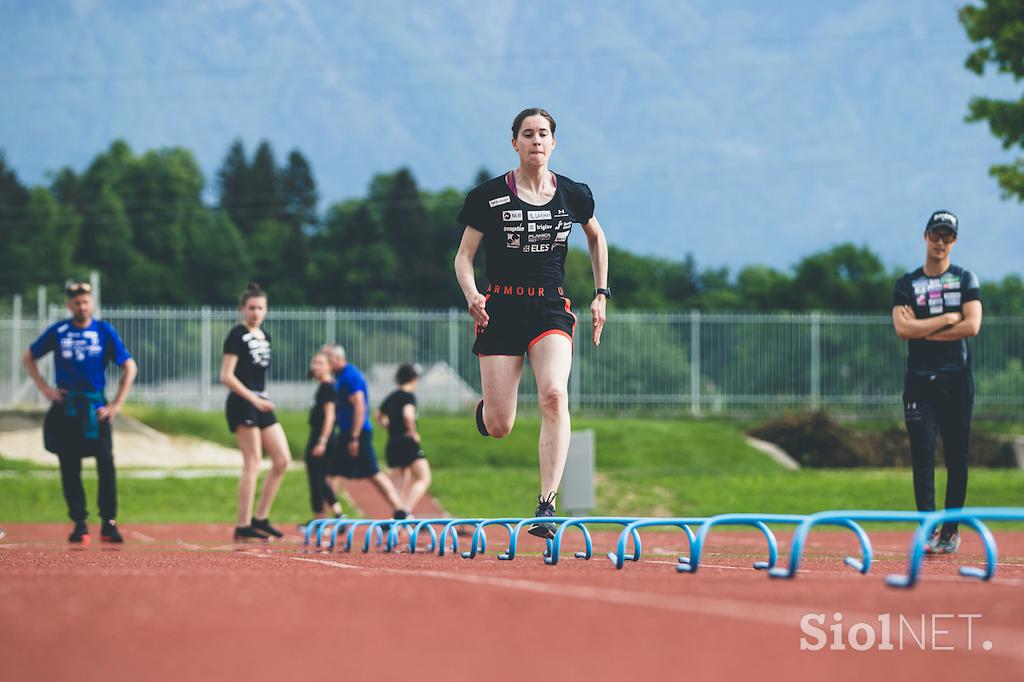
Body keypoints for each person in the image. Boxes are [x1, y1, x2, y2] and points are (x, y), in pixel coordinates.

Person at [453, 107, 609, 538]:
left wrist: (601, 293)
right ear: (515, 142)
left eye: (543, 134)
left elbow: (596, 238)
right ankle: (485, 409)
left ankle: (546, 505)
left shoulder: (573, 194)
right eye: (528, 134)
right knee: (500, 426)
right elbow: (464, 257)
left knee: (555, 395)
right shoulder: (488, 196)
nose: (536, 141)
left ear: (554, 142)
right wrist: (472, 296)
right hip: (500, 308)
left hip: (550, 308)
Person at [891, 210, 982, 555]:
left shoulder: (965, 279)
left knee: (957, 457)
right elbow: (902, 330)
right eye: (935, 234)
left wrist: (923, 328)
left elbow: (972, 326)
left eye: (947, 236)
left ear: (954, 241)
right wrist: (946, 318)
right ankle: (927, 527)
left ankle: (950, 531)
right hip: (919, 381)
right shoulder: (906, 283)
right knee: (923, 455)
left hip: (956, 381)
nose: (940, 242)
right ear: (925, 236)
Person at [23, 281, 138, 544]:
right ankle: (79, 522)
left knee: (106, 466)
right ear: (69, 305)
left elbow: (129, 367)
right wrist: (44, 387)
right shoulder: (59, 331)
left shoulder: (103, 331)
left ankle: (109, 523)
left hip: (97, 409)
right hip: (67, 408)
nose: (81, 306)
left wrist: (117, 404)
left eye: (85, 301)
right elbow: (28, 356)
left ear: (92, 303)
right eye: (76, 301)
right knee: (69, 466)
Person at [221, 283, 292, 541]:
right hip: (243, 401)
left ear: (266, 310)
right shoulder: (236, 335)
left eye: (260, 308)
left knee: (282, 459)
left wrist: (262, 398)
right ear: (242, 309)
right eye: (251, 308)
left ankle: (261, 517)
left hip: (261, 401)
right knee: (253, 461)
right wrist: (253, 398)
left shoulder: (265, 336)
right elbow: (226, 376)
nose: (256, 312)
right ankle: (242, 524)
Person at [321, 345, 408, 518]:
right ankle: (328, 516)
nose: (327, 365)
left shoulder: (350, 376)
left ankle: (401, 511)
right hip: (348, 431)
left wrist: (354, 437)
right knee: (331, 473)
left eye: (328, 361)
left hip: (357, 432)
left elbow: (360, 406)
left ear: (338, 359)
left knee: (372, 473)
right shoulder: (339, 377)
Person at [377, 363, 432, 515]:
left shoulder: (392, 396)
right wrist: (413, 432)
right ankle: (405, 512)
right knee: (424, 477)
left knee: (400, 483)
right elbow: (408, 415)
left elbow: (378, 416)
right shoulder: (408, 396)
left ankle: (398, 518)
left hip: (393, 442)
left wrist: (390, 427)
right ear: (413, 379)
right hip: (407, 441)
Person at [306, 351, 343, 521]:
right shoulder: (322, 386)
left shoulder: (328, 387)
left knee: (318, 479)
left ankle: (335, 513)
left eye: (320, 363)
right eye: (314, 362)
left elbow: (330, 416)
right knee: (316, 479)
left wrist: (322, 441)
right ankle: (322, 517)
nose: (315, 367)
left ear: (329, 366)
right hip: (317, 436)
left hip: (322, 438)